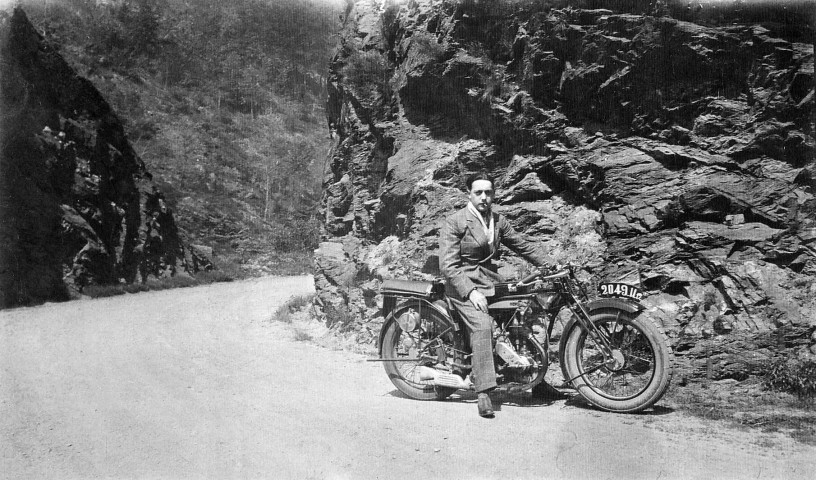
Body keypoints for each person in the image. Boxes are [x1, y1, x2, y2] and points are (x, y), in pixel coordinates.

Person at [438, 171, 553, 418]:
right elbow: (448, 266)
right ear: (469, 194)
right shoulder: (456, 221)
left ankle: (536, 380)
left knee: (525, 313)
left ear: (494, 194)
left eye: (488, 192)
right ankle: (484, 391)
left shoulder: (498, 221)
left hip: (490, 282)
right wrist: (470, 292)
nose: (484, 197)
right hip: (462, 287)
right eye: (478, 192)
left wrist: (549, 263)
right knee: (482, 326)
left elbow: (522, 245)